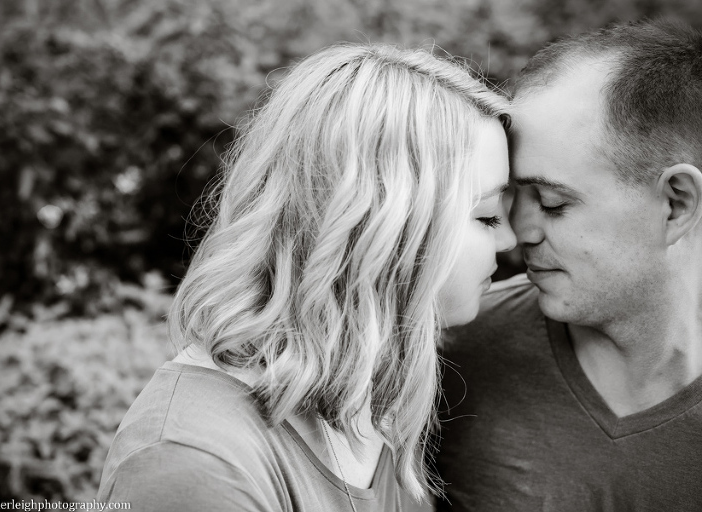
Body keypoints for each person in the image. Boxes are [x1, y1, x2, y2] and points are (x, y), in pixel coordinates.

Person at [97, 43, 516, 512]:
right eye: (487, 216)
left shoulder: (370, 397)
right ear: (382, 228)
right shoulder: (193, 462)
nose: (510, 241)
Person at [436, 19, 702, 512]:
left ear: (676, 204)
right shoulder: (449, 353)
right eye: (511, 197)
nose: (518, 234)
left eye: (553, 202)